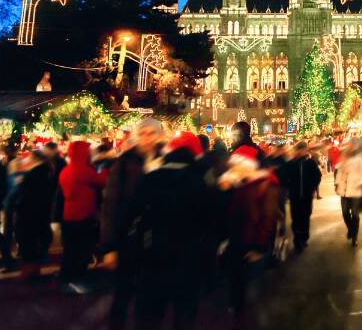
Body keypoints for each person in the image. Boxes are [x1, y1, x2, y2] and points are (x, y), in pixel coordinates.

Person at [129, 131, 208, 330]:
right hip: (188, 258)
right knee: (184, 314)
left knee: (150, 313)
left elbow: (132, 214)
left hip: (155, 254)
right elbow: (209, 222)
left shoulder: (152, 178)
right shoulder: (199, 182)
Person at [101, 118, 163, 330]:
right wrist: (109, 247)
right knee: (122, 294)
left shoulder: (164, 161)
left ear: (159, 136)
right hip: (127, 237)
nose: (147, 138)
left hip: (156, 241)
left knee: (150, 298)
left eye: (151, 133)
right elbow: (110, 205)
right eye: (143, 133)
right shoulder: (125, 162)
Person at [221, 146, 282, 323]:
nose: (232, 168)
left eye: (236, 164)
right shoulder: (239, 184)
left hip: (254, 246)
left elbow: (267, 218)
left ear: (248, 165)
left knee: (253, 293)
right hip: (236, 243)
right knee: (238, 287)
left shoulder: (266, 184)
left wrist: (259, 247)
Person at [58, 140, 107, 294]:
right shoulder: (82, 170)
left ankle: (67, 280)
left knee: (70, 251)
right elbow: (102, 181)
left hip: (69, 216)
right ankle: (75, 282)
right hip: (82, 216)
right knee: (80, 252)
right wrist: (105, 164)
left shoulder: (67, 170)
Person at [13, 150, 53, 281]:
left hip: (30, 212)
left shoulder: (36, 172)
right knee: (33, 241)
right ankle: (33, 269)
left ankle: (30, 271)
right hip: (37, 212)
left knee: (29, 241)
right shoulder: (44, 171)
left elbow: (28, 195)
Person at [283, 141, 322, 252]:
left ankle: (303, 238)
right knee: (296, 218)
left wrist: (312, 188)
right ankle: (297, 240)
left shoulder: (310, 163)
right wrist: (289, 188)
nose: (301, 152)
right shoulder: (291, 163)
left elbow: (317, 176)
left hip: (306, 195)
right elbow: (286, 177)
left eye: (303, 149)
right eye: (299, 149)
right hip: (294, 196)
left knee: (305, 216)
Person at [335, 138, 362, 247]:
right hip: (344, 190)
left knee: (355, 214)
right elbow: (339, 172)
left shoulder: (361, 159)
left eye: (351, 145)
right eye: (348, 145)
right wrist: (337, 184)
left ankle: (355, 236)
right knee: (345, 213)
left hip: (355, 190)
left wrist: (358, 183)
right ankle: (351, 229)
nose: (349, 147)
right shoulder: (344, 158)